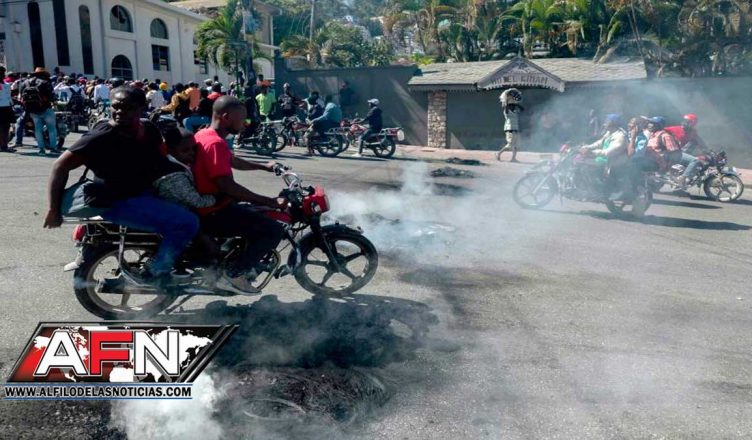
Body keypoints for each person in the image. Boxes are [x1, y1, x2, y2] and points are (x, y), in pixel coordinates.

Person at [44, 86, 200, 285]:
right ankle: (154, 273)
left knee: (194, 211)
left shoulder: (149, 129)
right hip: (116, 201)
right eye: (116, 106)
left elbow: (163, 159)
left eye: (127, 108)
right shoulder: (101, 136)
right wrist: (53, 210)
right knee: (187, 223)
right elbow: (59, 166)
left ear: (141, 108)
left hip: (144, 194)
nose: (119, 111)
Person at [192, 96, 286, 294]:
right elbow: (228, 186)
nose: (246, 123)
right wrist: (271, 201)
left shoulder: (205, 134)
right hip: (214, 211)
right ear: (226, 118)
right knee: (273, 230)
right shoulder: (216, 143)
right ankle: (234, 275)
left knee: (255, 213)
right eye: (242, 119)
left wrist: (265, 166)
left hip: (210, 205)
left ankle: (229, 258)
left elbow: (231, 160)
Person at [580, 114, 628, 199]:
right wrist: (587, 147)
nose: (605, 123)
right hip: (602, 159)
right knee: (580, 162)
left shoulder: (620, 137)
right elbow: (600, 142)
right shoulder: (610, 132)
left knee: (586, 168)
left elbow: (608, 152)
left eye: (607, 121)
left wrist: (591, 152)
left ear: (613, 123)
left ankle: (597, 191)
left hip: (611, 162)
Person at [21, 67, 58, 155]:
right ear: (43, 74)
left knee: (38, 129)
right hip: (46, 108)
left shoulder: (25, 83)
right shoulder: (45, 82)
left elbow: (21, 95)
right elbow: (52, 96)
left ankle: (41, 149)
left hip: (32, 110)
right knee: (51, 129)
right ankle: (53, 148)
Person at [665, 114, 708, 187]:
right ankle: (682, 178)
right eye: (684, 121)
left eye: (687, 121)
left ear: (693, 123)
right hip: (671, 152)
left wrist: (706, 149)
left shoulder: (692, 132)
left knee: (697, 158)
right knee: (695, 160)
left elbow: (699, 141)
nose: (684, 123)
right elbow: (660, 130)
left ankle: (683, 177)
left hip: (678, 152)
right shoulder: (675, 129)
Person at [496, 88, 524, 162]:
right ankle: (498, 154)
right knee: (510, 145)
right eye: (512, 105)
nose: (513, 106)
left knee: (516, 145)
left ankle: (513, 158)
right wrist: (507, 99)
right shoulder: (507, 111)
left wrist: (516, 103)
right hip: (509, 129)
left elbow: (522, 109)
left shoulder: (515, 111)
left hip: (515, 128)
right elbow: (506, 106)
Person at [0, 66, 15, 152]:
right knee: (1, 128)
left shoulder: (7, 84)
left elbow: (9, 96)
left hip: (7, 107)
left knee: (6, 127)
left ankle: (4, 145)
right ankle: (2, 146)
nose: (2, 75)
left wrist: (12, 103)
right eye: (0, 73)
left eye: (3, 73)